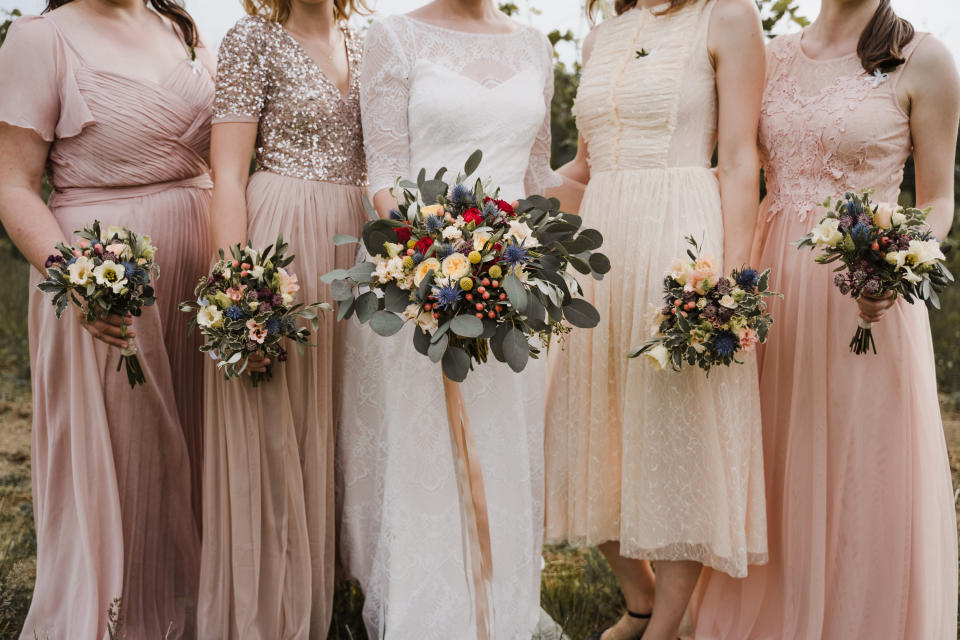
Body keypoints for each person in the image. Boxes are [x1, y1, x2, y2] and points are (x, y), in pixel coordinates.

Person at [693, 1, 960, 637]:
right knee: (772, 460)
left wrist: (896, 266)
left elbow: (939, 197)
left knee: (858, 468)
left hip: (862, 293)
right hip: (770, 287)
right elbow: (731, 162)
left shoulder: (922, 59)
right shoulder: (773, 53)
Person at [336, 0, 579, 637]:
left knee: (503, 439)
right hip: (419, 276)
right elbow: (382, 173)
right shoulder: (392, 36)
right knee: (424, 451)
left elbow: (535, 176)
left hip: (509, 283)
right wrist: (436, 255)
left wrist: (514, 256)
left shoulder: (534, 47)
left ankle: (499, 609)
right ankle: (428, 614)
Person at [544, 1, 769, 638]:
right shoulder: (599, 39)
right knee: (587, 424)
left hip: (683, 237)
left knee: (678, 435)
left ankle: (666, 627)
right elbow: (583, 169)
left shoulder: (727, 17)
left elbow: (739, 157)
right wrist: (502, 199)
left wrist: (735, 277)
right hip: (600, 246)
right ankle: (640, 601)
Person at [0, 0, 213, 637]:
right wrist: (77, 278)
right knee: (128, 455)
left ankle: (195, 608)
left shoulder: (180, 28)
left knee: (202, 446)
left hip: (198, 276)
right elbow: (12, 183)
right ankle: (125, 614)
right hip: (107, 283)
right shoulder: (40, 40)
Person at [197, 0, 367, 637]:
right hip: (283, 239)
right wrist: (241, 292)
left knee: (339, 424)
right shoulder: (251, 39)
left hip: (356, 251)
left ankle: (336, 595)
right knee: (277, 426)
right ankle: (272, 613)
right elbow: (228, 174)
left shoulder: (367, 40)